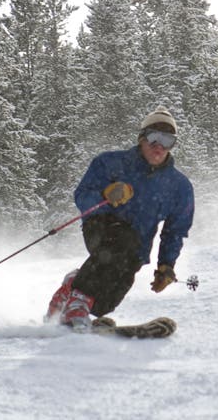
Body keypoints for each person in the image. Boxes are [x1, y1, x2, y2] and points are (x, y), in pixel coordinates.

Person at [45, 107, 195, 329]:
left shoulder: (179, 186)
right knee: (122, 241)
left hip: (136, 248)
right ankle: (77, 304)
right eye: (154, 137)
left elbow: (175, 230)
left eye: (167, 140)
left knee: (107, 300)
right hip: (101, 229)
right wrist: (105, 195)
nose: (159, 146)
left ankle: (73, 288)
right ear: (141, 138)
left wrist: (166, 264)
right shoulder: (110, 163)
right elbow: (82, 196)